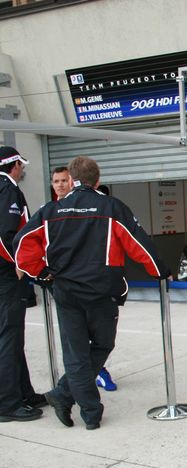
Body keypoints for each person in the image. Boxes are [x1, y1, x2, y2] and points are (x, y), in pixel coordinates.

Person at [14, 156, 169, 430]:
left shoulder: (51, 210)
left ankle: (80, 406)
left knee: (75, 355)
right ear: (98, 180)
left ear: (72, 181)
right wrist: (160, 270)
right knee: (103, 345)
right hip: (102, 292)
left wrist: (40, 273)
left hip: (65, 292)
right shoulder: (111, 207)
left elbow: (22, 243)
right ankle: (76, 403)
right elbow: (138, 243)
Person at [50, 168, 117, 391]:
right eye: (56, 181)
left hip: (94, 287)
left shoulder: (93, 207)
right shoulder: (50, 211)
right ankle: (73, 392)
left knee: (100, 340)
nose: (60, 185)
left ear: (72, 182)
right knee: (74, 347)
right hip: (65, 290)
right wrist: (41, 274)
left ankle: (73, 387)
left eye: (63, 180)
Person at [0, 146, 46, 423]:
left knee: (11, 338)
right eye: (21, 165)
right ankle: (7, 403)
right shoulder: (8, 190)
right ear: (14, 165)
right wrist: (20, 264)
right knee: (9, 338)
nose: (22, 169)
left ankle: (23, 393)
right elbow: (5, 235)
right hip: (6, 276)